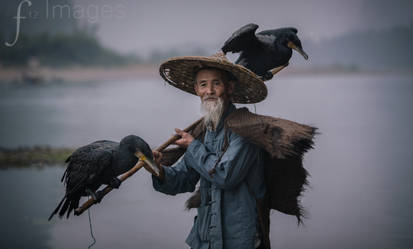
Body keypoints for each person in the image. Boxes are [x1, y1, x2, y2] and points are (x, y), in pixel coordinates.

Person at [150, 53, 269, 249]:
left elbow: (226, 175)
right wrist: (157, 169)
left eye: (216, 84)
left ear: (229, 88)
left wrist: (192, 146)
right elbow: (183, 179)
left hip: (240, 241)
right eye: (203, 85)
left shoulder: (248, 127)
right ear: (196, 89)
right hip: (205, 240)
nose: (209, 91)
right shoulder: (204, 131)